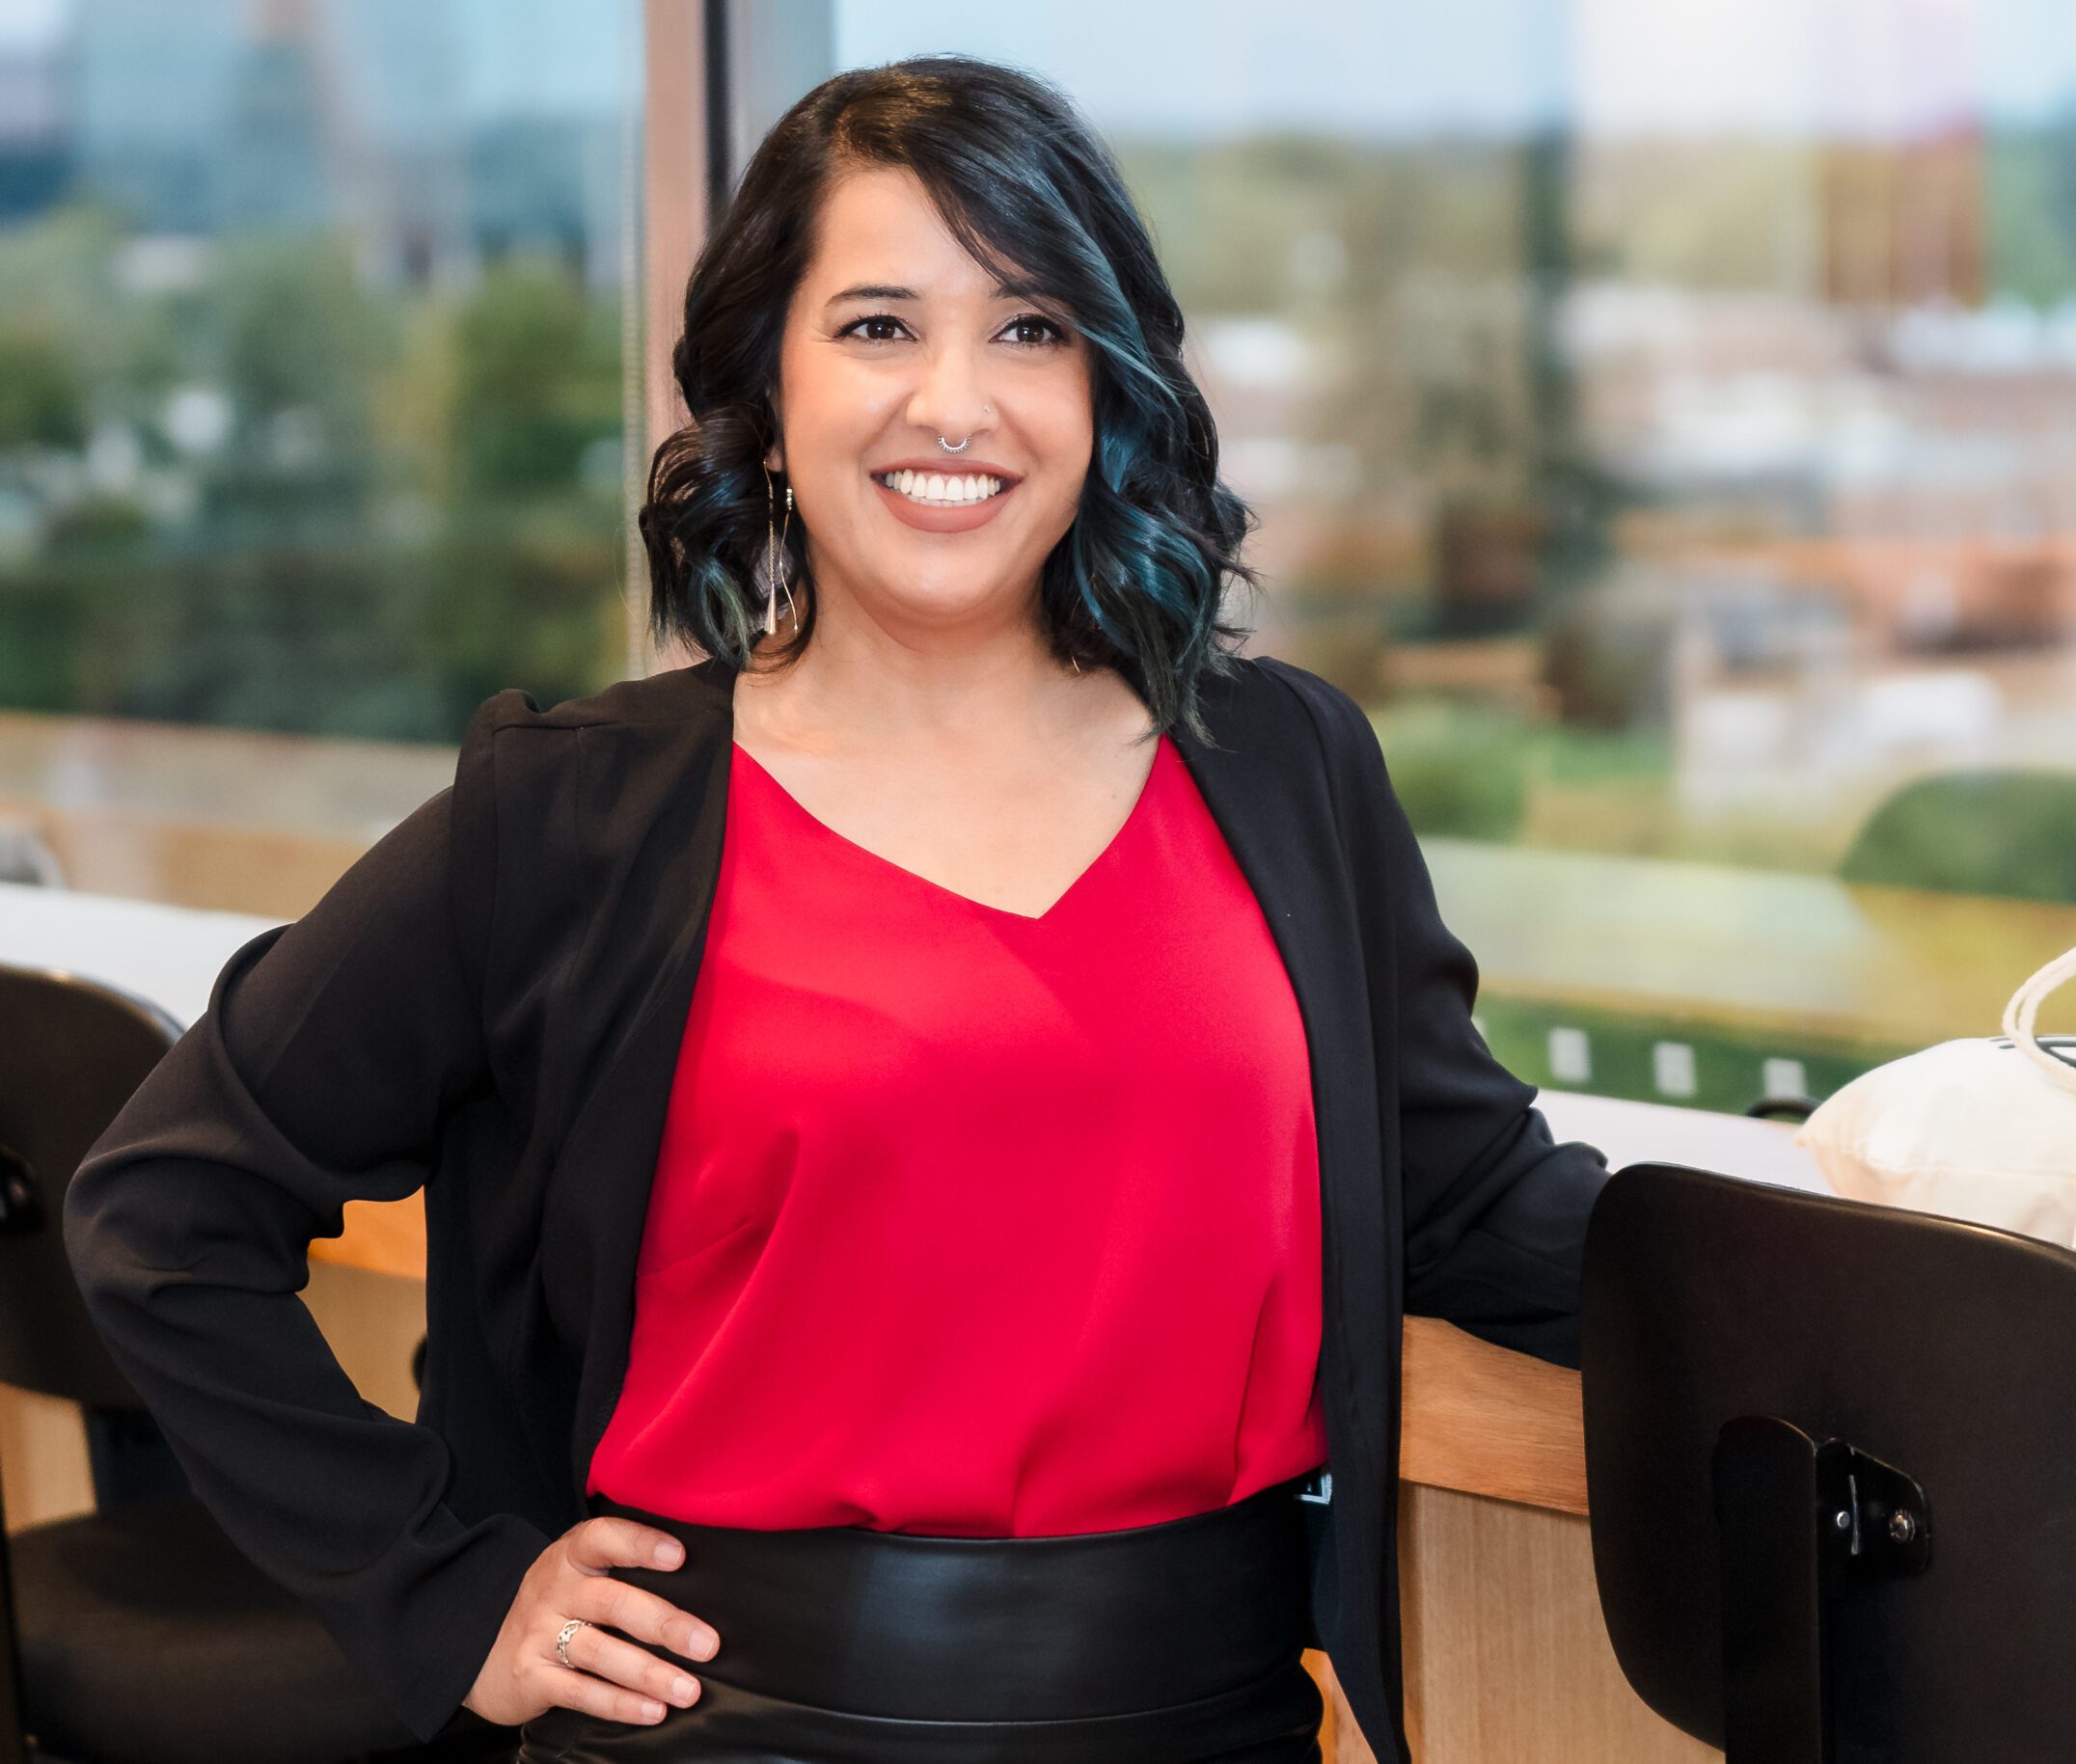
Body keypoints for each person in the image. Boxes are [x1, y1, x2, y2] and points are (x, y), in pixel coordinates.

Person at [64, 54, 1613, 1764]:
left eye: (1029, 327)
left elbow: (1468, 1195)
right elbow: (165, 1207)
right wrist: (445, 1593)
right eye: (879, 325)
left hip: (1214, 1718)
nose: (957, 400)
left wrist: (1888, 1280)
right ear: (766, 386)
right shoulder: (579, 813)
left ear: (1106, 385)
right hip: (726, 1727)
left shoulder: (1286, 765)